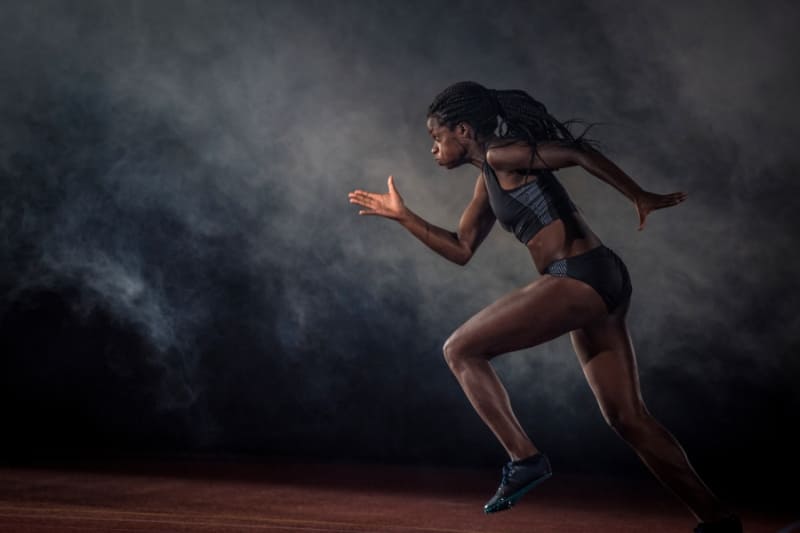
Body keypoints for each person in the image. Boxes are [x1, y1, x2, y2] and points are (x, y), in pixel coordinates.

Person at [347, 81, 741, 533]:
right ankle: (718, 520)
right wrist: (405, 217)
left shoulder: (500, 155)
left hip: (579, 276)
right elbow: (460, 249)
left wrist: (638, 194)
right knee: (627, 418)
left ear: (462, 130)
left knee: (460, 350)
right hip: (599, 277)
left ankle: (525, 459)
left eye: (437, 138)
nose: (433, 149)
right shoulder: (488, 178)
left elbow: (577, 154)